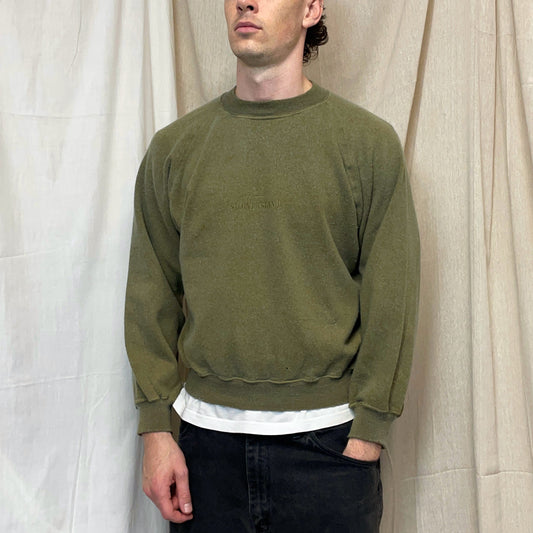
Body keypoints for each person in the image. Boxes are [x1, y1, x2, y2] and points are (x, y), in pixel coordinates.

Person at [124, 1, 420, 531]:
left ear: (311, 9)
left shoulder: (368, 146)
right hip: (204, 454)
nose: (245, 1)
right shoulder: (174, 150)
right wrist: (155, 430)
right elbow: (151, 295)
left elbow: (391, 296)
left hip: (330, 452)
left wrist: (369, 433)